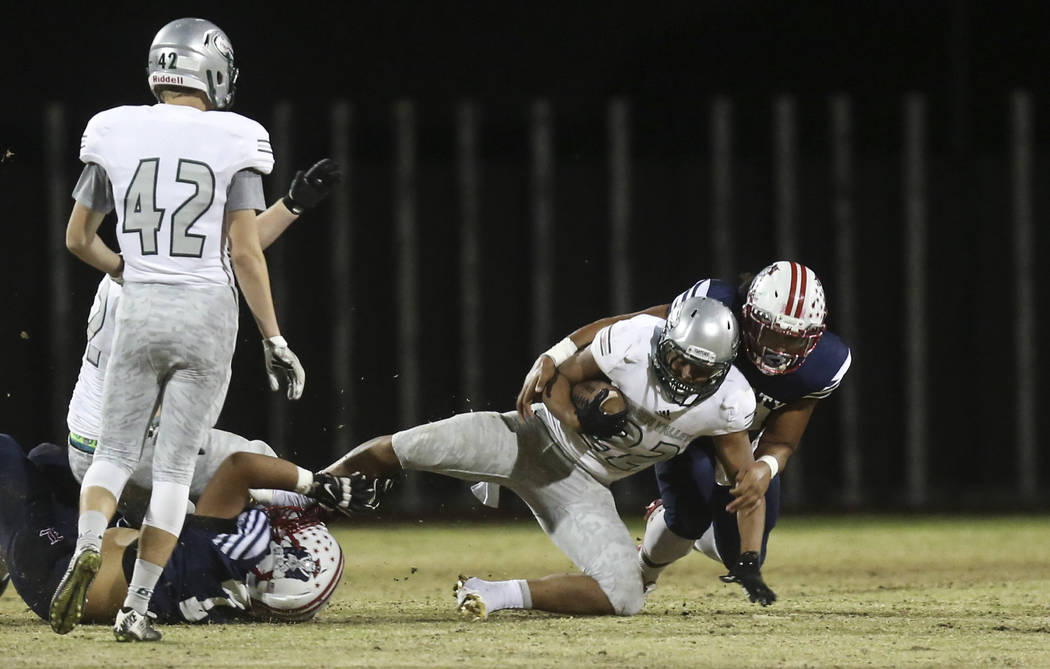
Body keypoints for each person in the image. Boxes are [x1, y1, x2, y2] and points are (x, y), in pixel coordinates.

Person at [52, 17, 306, 642]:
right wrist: (273, 337)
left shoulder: (116, 130)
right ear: (212, 72)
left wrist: (129, 270)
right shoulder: (235, 136)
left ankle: (87, 543)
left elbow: (78, 238)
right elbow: (245, 253)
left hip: (140, 309)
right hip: (206, 315)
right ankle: (137, 608)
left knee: (112, 455)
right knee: (171, 474)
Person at [323, 296, 776, 619]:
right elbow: (560, 377)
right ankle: (302, 495)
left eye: (699, 369)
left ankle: (496, 594)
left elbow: (747, 483)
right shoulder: (635, 341)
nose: (684, 374)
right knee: (401, 448)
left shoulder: (728, 402)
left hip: (585, 488)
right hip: (532, 437)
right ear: (666, 338)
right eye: (678, 359)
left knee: (625, 596)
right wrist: (575, 419)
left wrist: (751, 557)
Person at [517, 260, 851, 596]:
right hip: (682, 424)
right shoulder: (711, 308)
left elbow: (782, 440)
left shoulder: (823, 364)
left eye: (792, 341)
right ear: (747, 315)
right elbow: (625, 325)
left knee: (742, 555)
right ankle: (646, 567)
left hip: (739, 441)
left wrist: (764, 468)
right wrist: (556, 354)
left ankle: (690, 534)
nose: (778, 350)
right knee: (687, 517)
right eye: (770, 333)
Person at [67, 156, 341, 519]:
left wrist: (291, 205)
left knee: (166, 523)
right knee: (255, 464)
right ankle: (294, 543)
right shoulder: (164, 291)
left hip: (82, 449)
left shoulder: (129, 269)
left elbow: (232, 250)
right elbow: (235, 254)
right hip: (131, 450)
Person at [0, 433, 387, 628]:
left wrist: (318, 486)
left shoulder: (227, 547)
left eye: (290, 542)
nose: (286, 533)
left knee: (7, 454)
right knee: (47, 460)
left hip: (57, 569)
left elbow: (240, 467)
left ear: (284, 560)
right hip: (94, 568)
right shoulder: (246, 597)